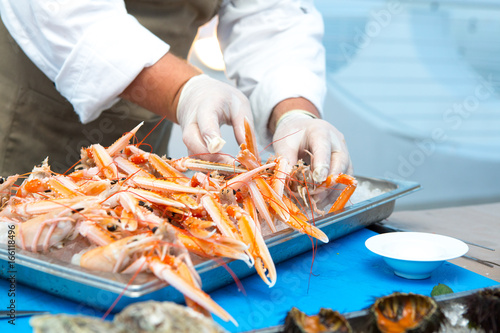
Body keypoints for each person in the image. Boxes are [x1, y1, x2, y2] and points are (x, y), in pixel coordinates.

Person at [0, 0, 352, 192]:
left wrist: (294, 112)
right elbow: (61, 10)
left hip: (151, 125)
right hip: (33, 117)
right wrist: (184, 90)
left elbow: (272, 14)